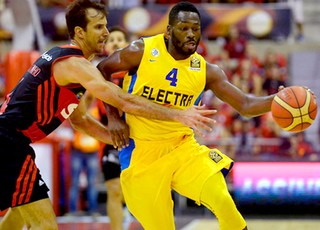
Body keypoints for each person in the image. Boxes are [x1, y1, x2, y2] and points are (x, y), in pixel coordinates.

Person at [0, 1, 216, 229]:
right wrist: (178, 114)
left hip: (11, 143)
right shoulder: (74, 63)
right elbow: (122, 99)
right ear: (80, 32)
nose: (106, 32)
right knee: (45, 225)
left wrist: (131, 143)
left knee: (18, 214)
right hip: (8, 143)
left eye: (106, 26)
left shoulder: (69, 65)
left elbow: (81, 121)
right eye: (99, 27)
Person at [97, 2, 284, 230]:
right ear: (168, 31)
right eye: (183, 28)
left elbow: (245, 104)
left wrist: (277, 101)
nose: (191, 34)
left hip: (183, 149)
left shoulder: (206, 70)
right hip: (141, 153)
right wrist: (113, 117)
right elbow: (102, 70)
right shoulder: (141, 51)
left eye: (195, 29)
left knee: (223, 200)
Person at [98, 26, 130, 230]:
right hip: (110, 141)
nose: (116, 43)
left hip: (137, 138)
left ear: (127, 44)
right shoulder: (97, 72)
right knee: (113, 189)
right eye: (111, 40)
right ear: (105, 46)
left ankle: (129, 208)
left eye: (120, 39)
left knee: (132, 190)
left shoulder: (137, 71)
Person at [68, 94, 100, 216]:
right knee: (75, 182)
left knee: (92, 182)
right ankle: (72, 211)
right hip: (78, 150)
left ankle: (93, 210)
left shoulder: (97, 111)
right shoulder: (77, 110)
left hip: (92, 150)